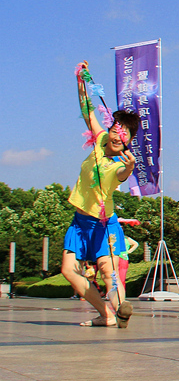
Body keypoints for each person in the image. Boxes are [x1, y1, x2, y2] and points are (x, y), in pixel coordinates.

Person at [61, 62, 139, 328]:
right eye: (116, 128)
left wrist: (128, 168)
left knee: (108, 270)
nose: (118, 134)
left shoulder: (120, 164)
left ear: (129, 140)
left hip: (103, 224)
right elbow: (87, 111)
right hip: (80, 221)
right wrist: (81, 81)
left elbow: (121, 176)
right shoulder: (100, 140)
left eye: (125, 132)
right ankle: (106, 314)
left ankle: (120, 310)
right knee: (68, 271)